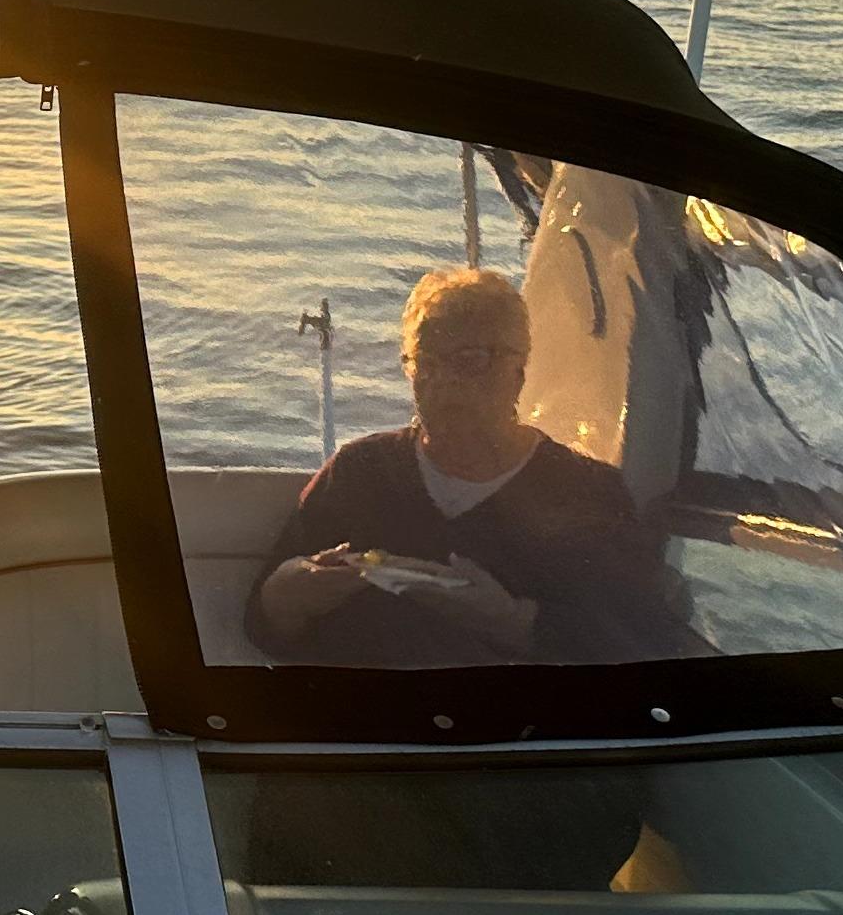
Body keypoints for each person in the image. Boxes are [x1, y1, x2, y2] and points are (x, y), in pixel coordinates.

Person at [246, 267, 686, 668]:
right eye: (426, 363)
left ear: (518, 370)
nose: (444, 381)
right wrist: (287, 595)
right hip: (365, 729)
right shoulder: (360, 472)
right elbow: (264, 626)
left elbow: (639, 648)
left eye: (471, 360)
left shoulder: (587, 495)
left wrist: (511, 620)